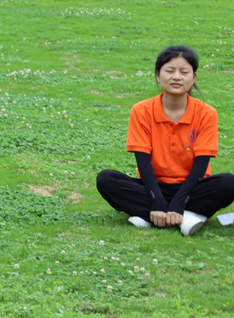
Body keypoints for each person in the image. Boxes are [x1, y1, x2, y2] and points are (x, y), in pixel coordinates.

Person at [97, 45, 234, 236]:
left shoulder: (207, 113)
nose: (176, 77)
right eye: (170, 71)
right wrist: (157, 201)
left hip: (192, 187)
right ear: (158, 75)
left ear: (193, 77)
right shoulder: (141, 110)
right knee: (106, 179)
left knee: (229, 182)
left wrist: (179, 202)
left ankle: (150, 216)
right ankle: (185, 217)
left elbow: (201, 166)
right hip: (152, 186)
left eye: (184, 72)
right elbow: (143, 162)